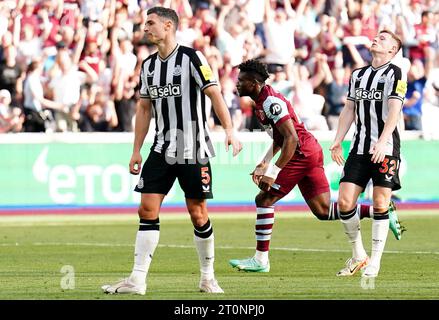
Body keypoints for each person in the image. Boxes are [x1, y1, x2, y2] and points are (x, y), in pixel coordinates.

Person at [101, 7, 241, 295]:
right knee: (146, 208)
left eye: (150, 23)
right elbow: (143, 107)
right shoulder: (148, 66)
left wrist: (229, 130)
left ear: (168, 26)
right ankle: (137, 280)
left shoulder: (192, 58)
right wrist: (136, 150)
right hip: (162, 148)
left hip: (193, 148)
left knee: (198, 213)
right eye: (144, 23)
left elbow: (214, 92)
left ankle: (207, 277)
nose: (145, 28)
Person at [228, 59, 402, 273]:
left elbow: (291, 139)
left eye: (241, 80)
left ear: (254, 83)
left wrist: (273, 172)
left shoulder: (271, 102)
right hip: (309, 150)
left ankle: (261, 260)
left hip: (301, 153)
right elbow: (281, 136)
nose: (237, 84)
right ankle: (380, 211)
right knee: (323, 210)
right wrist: (264, 161)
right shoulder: (262, 100)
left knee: (264, 199)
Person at [329, 30, 407, 278]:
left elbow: (394, 110)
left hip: (385, 149)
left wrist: (383, 142)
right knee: (344, 203)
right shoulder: (357, 75)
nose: (376, 39)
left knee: (380, 202)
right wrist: (337, 140)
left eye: (383, 39)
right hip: (359, 149)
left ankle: (375, 260)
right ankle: (358, 254)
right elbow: (349, 109)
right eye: (376, 36)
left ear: (392, 51)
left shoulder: (395, 73)